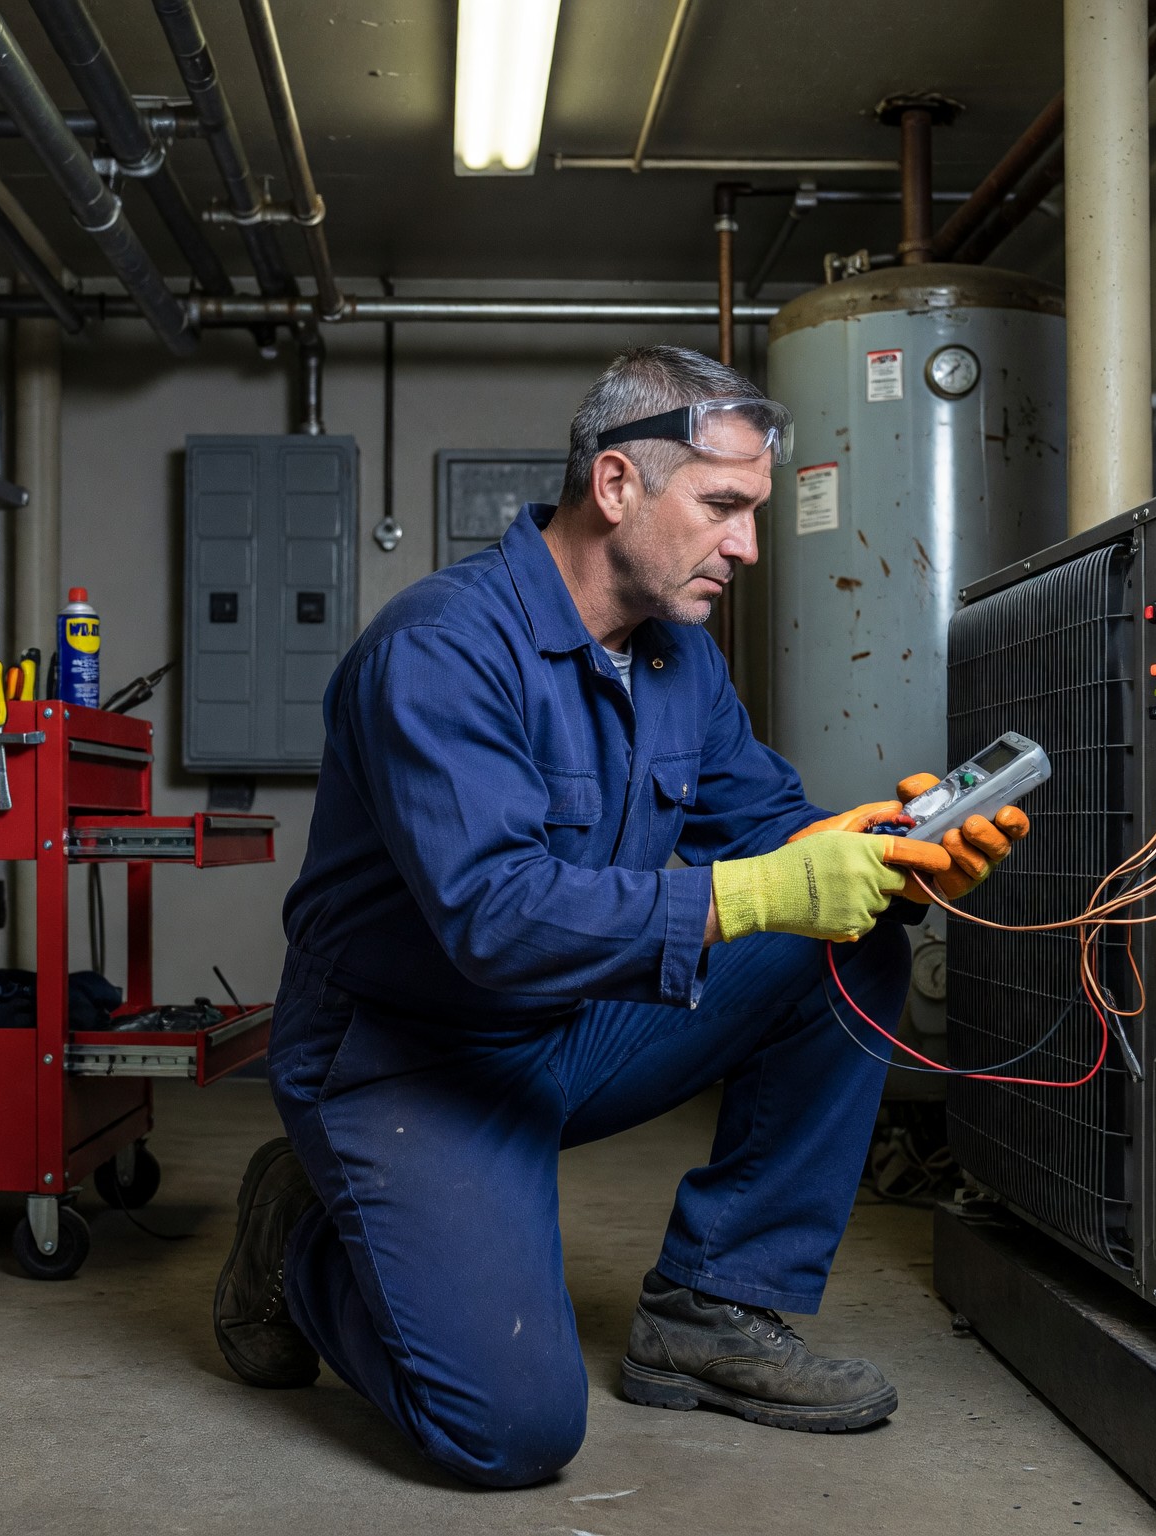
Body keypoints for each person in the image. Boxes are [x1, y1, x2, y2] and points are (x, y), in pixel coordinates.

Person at [212, 345, 1029, 1487]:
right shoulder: (440, 650)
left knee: (848, 944)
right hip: (406, 1062)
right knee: (510, 1434)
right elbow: (493, 918)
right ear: (613, 487)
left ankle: (711, 1309)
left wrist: (892, 859)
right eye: (723, 506)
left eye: (750, 512)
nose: (745, 544)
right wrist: (766, 889)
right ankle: (295, 1238)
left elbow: (774, 832)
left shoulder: (678, 665)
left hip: (569, 1029)